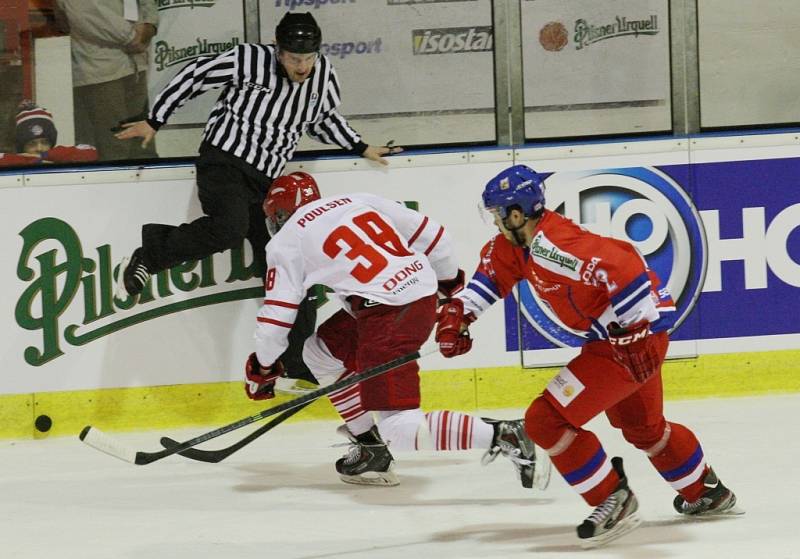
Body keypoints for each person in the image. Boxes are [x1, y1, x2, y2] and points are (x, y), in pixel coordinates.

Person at [435, 165, 739, 548]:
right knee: (643, 428)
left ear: (516, 214)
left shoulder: (553, 246)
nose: (494, 221)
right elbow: (489, 280)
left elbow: (625, 264)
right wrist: (457, 316)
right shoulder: (512, 246)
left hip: (625, 343)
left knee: (544, 420)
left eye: (497, 213)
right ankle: (706, 491)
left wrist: (633, 331)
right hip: (628, 341)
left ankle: (613, 499)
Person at [114, 12, 400, 385]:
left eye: (308, 58)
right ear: (278, 52)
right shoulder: (249, 60)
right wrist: (155, 119)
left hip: (267, 181)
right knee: (229, 227)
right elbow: (193, 76)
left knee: (291, 266)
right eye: (294, 58)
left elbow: (322, 119)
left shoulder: (324, 76)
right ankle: (150, 253)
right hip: (224, 162)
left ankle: (298, 363)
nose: (302, 66)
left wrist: (361, 146)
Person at [243, 171, 550, 489]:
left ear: (278, 214)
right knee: (319, 353)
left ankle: (504, 434)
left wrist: (263, 368)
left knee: (399, 427)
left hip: (387, 314)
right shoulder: (356, 200)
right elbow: (436, 238)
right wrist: (449, 294)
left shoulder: (285, 241)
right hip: (413, 297)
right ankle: (370, 448)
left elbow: (276, 319)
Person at [54, 0, 159, 161]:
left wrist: (149, 24)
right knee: (115, 149)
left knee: (144, 145)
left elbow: (148, 7)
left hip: (135, 65)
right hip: (100, 71)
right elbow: (83, 12)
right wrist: (134, 36)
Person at [0, 101, 98, 167]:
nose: (39, 148)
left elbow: (91, 152)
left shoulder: (60, 158)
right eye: (32, 144)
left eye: (44, 142)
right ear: (21, 146)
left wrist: (44, 156)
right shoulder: (14, 163)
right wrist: (29, 161)